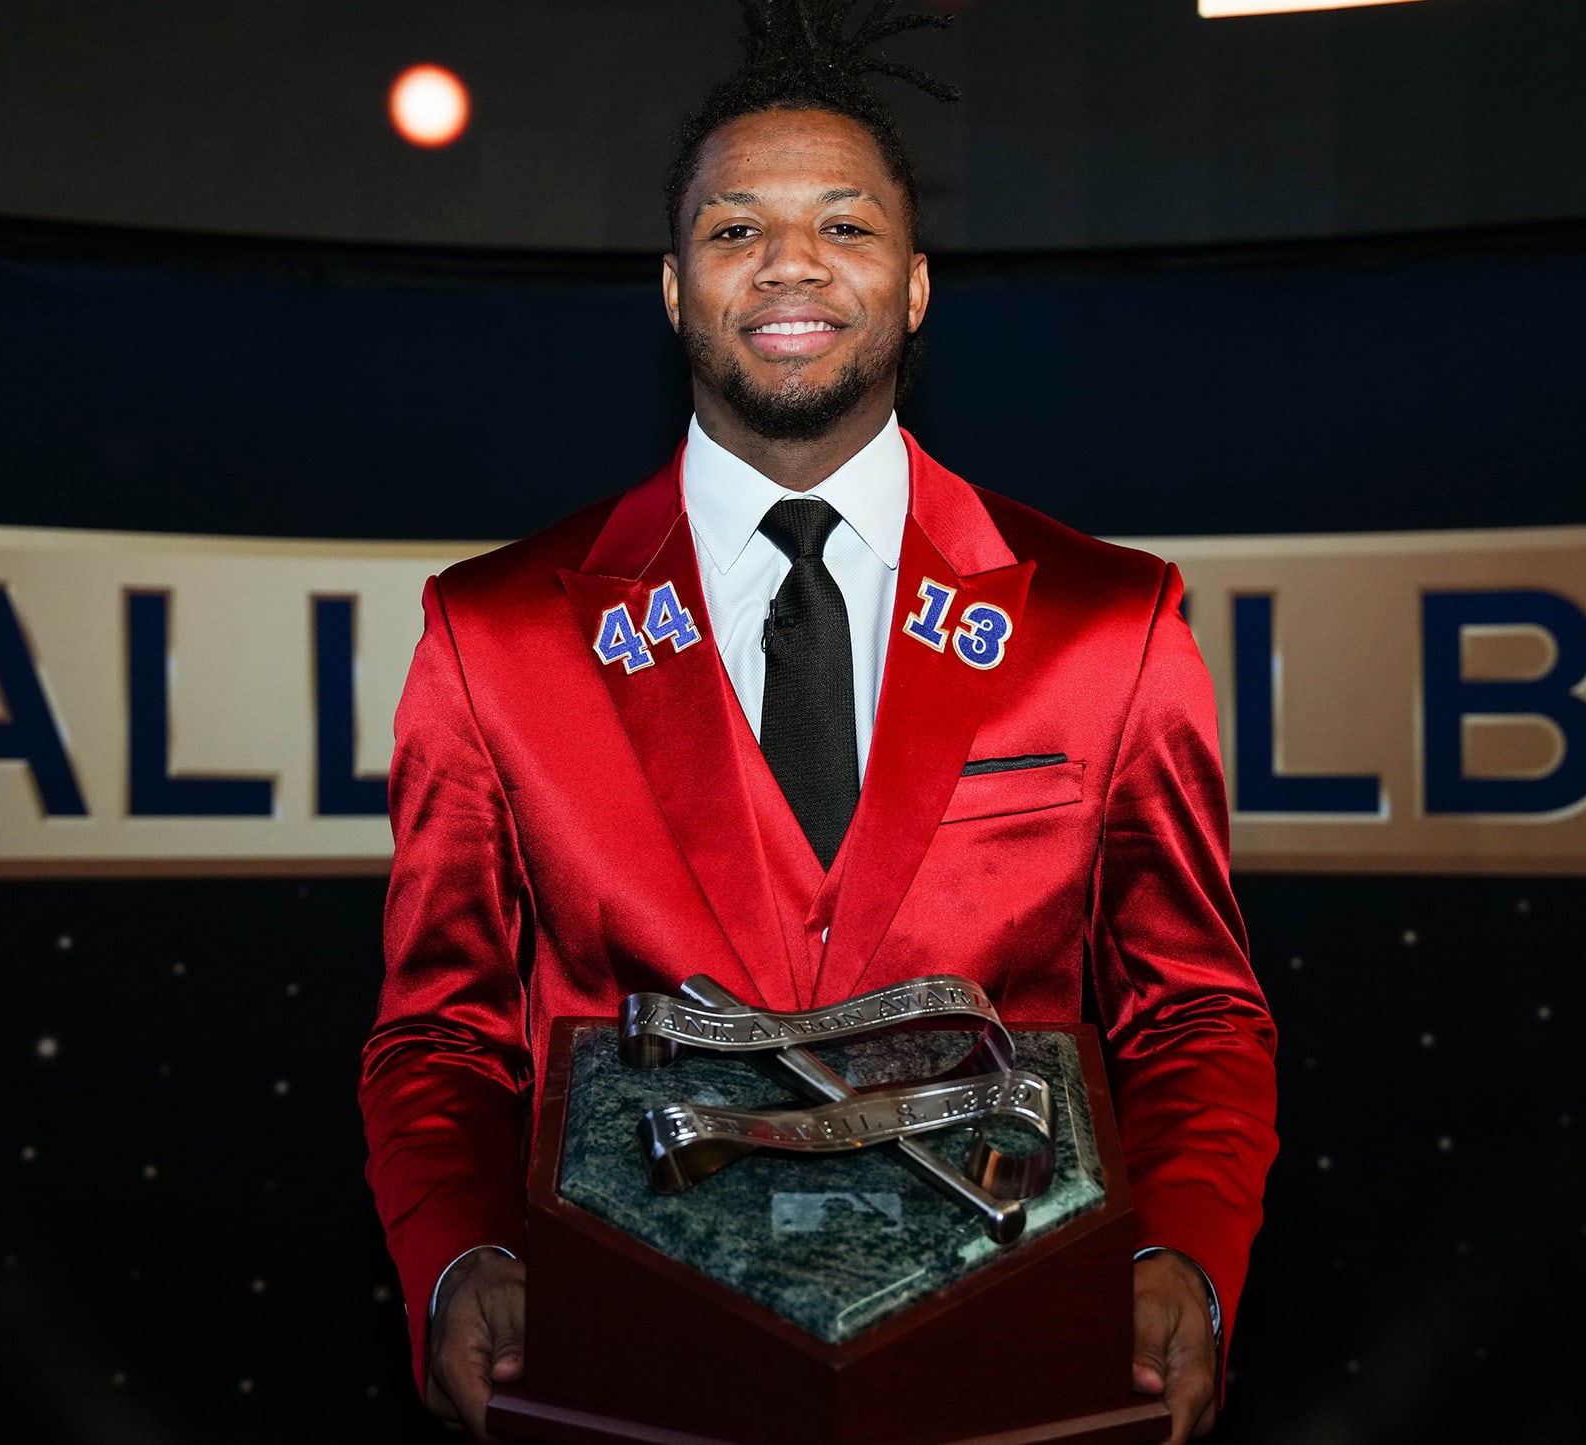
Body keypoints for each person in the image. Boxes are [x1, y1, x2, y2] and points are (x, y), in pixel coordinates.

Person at [358, 4, 1278, 1439]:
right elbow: (442, 1031)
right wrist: (459, 1255)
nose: (790, 260)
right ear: (673, 289)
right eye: (736, 230)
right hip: (635, 1370)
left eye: (845, 226)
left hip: (1009, 1361)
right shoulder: (498, 631)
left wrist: (1187, 1257)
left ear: (915, 287)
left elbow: (1198, 1008)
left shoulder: (1111, 622)